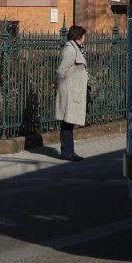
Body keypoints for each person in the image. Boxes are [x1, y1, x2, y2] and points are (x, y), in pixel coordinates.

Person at [54, 25, 88, 161]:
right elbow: (62, 70)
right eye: (83, 35)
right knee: (67, 122)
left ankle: (68, 151)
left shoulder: (75, 49)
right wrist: (56, 82)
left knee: (69, 122)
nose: (85, 38)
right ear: (79, 36)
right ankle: (67, 152)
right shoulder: (71, 50)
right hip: (69, 91)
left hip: (73, 90)